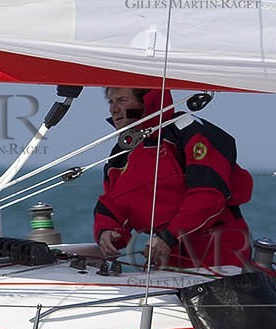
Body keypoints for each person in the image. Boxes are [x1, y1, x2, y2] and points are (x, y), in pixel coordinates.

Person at [92, 86, 252, 269]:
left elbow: (209, 193)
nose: (113, 109)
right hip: (166, 256)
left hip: (217, 252)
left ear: (146, 101)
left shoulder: (185, 131)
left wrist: (170, 236)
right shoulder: (121, 154)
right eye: (111, 102)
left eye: (122, 101)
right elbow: (112, 204)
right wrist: (107, 231)